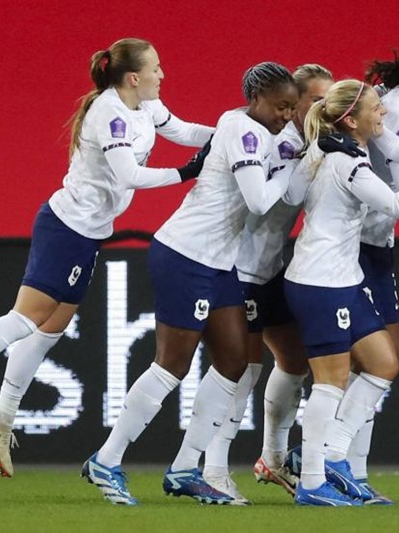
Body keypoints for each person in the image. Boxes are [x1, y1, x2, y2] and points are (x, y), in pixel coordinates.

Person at [0, 38, 214, 478]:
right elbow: (129, 174)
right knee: (26, 319)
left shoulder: (145, 107)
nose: (161, 74)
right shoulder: (108, 113)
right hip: (67, 228)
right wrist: (186, 172)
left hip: (88, 234)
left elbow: (184, 131)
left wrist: (229, 134)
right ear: (134, 77)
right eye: (156, 68)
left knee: (52, 328)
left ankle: (1, 418)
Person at [81, 61, 299, 506]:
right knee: (171, 366)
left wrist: (296, 156)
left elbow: (282, 187)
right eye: (281, 106)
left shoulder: (253, 130)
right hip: (185, 254)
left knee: (235, 362)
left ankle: (184, 469)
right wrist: (294, 166)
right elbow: (259, 201)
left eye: (292, 108)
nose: (286, 116)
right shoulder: (244, 130)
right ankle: (107, 458)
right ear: (256, 99)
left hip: (218, 263)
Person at [281, 79, 399, 506]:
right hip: (320, 281)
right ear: (352, 120)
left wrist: (317, 151)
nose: (383, 114)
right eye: (377, 109)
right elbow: (395, 205)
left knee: (382, 363)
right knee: (331, 382)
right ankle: (312, 481)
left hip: (342, 279)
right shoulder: (350, 165)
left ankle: (333, 455)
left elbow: (291, 193)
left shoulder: (333, 152)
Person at [195, 64, 335, 505]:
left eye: (328, 103)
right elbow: (276, 198)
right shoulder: (273, 142)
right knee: (242, 370)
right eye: (315, 101)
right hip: (239, 269)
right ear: (290, 103)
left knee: (294, 360)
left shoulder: (311, 144)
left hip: (270, 269)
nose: (321, 110)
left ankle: (272, 458)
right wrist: (303, 161)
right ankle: (213, 469)